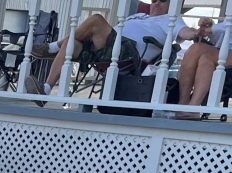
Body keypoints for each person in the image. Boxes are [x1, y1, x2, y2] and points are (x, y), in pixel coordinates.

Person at [24, 0, 199, 104]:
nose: (156, 4)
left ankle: (51, 47)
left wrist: (197, 32)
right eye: (153, 0)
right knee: (71, 44)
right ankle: (45, 91)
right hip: (107, 47)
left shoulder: (171, 19)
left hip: (128, 54)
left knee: (96, 19)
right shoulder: (138, 16)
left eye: (162, 0)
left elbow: (185, 33)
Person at [177, 19, 230, 114]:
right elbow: (221, 38)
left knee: (197, 49)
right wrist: (209, 28)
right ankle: (187, 105)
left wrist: (213, 29)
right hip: (224, 50)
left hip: (227, 52)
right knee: (205, 59)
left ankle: (190, 106)